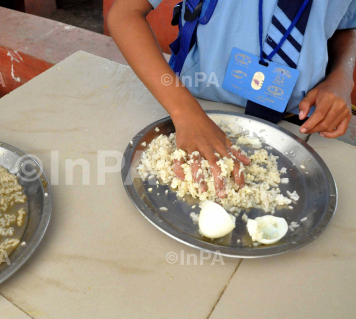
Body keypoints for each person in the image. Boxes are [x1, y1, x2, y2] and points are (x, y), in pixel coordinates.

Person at [108, 0, 356, 197]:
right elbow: (125, 13)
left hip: (298, 120)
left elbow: (345, 23)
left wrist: (343, 76)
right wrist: (185, 112)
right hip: (193, 105)